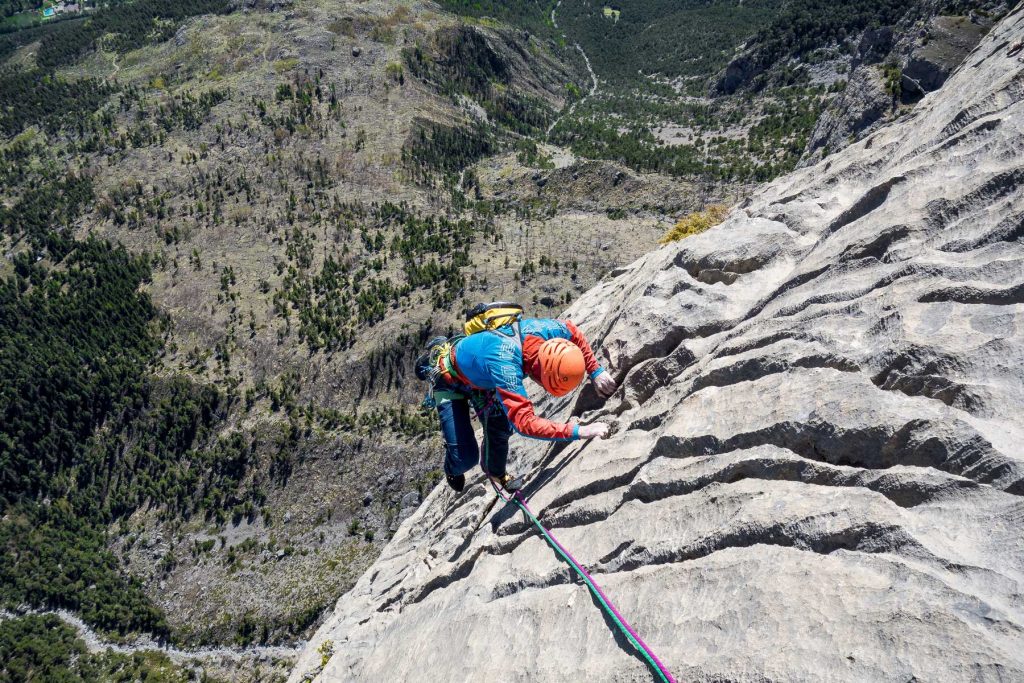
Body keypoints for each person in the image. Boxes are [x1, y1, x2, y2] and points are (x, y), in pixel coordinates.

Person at [417, 307, 616, 493]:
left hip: (482, 376)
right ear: (540, 376)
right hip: (450, 379)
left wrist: (595, 370)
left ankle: (496, 473)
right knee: (465, 460)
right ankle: (433, 358)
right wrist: (580, 431)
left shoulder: (542, 332)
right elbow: (524, 423)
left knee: (500, 428)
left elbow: (572, 330)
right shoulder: (506, 365)